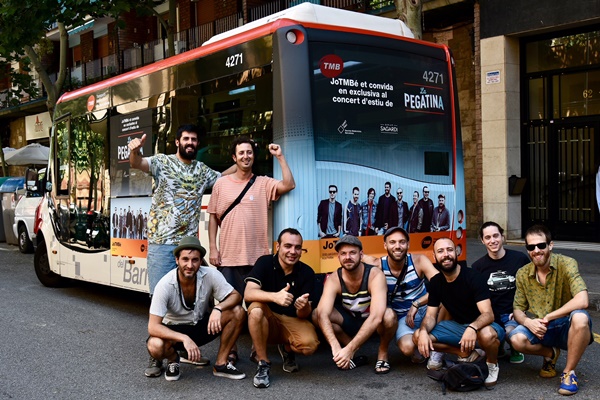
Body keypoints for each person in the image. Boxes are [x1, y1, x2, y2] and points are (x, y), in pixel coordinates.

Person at [129, 124, 235, 377]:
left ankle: (184, 349)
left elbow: (223, 177)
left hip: (188, 245)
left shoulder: (202, 171)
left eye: (194, 139)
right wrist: (134, 151)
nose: (190, 142)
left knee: (194, 298)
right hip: (162, 243)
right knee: (160, 298)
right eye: (186, 138)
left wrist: (242, 164)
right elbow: (137, 163)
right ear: (177, 142)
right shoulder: (162, 162)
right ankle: (158, 355)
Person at [208, 136, 295, 363]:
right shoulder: (221, 184)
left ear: (253, 157)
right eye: (241, 153)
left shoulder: (263, 183)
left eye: (249, 152)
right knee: (231, 306)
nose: (246, 156)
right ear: (234, 157)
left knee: (258, 307)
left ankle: (258, 349)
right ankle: (230, 349)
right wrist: (213, 248)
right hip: (228, 257)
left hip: (258, 259)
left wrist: (280, 157)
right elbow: (213, 218)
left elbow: (289, 184)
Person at [146, 236, 246, 382]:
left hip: (200, 326)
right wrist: (184, 338)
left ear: (200, 261)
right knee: (155, 345)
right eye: (185, 259)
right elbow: (153, 327)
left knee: (238, 312)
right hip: (174, 331)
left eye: (195, 260)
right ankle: (173, 359)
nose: (190, 265)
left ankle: (221, 364)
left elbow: (236, 296)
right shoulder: (165, 285)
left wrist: (218, 308)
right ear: (177, 260)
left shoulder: (210, 275)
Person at [508, 224, 592, 396]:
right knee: (516, 338)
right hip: (542, 329)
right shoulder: (523, 274)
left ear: (550, 245)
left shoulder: (567, 263)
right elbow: (517, 309)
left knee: (580, 318)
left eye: (541, 245)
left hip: (567, 326)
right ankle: (550, 354)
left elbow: (583, 300)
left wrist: (549, 316)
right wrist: (528, 322)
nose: (536, 251)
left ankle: (568, 373)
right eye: (531, 247)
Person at [414, 237, 503, 388]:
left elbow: (488, 314)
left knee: (487, 334)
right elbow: (430, 316)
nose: (446, 254)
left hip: (486, 326)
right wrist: (423, 331)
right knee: (417, 336)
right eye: (440, 251)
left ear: (457, 252)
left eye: (449, 250)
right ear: (434, 256)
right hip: (459, 328)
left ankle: (492, 363)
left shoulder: (474, 277)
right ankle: (464, 353)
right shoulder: (436, 282)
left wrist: (472, 327)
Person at [244, 228, 319, 388]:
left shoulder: (307, 272)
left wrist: (303, 307)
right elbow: (248, 293)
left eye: (297, 247)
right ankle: (263, 362)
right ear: (278, 246)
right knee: (256, 310)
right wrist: (275, 297)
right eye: (288, 246)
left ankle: (286, 349)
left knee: (309, 345)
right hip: (268, 316)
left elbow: (304, 314)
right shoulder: (264, 262)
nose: (293, 251)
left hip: (291, 319)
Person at [313, 235, 397, 374]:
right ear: (338, 257)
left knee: (389, 316)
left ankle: (382, 352)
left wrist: (349, 349)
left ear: (361, 255)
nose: (348, 257)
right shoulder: (334, 278)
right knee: (317, 313)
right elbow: (322, 314)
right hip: (350, 321)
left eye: (352, 253)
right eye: (343, 254)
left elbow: (376, 317)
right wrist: (335, 346)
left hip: (373, 323)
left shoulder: (375, 275)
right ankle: (350, 347)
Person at [362, 227, 439, 364]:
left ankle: (437, 349)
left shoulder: (419, 260)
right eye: (392, 242)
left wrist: (417, 303)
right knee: (407, 347)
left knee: (446, 299)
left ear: (408, 244)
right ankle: (420, 341)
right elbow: (355, 255)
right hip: (403, 317)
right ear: (385, 245)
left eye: (402, 242)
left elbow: (442, 286)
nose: (397, 246)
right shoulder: (378, 265)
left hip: (427, 310)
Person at [472, 221, 530, 364]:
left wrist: (523, 309)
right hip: (492, 315)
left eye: (496, 236)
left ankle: (515, 347)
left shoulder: (520, 259)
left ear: (502, 237)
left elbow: (531, 286)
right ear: (482, 241)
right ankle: (498, 346)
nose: (492, 240)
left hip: (514, 313)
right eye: (488, 237)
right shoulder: (477, 267)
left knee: (511, 333)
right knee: (486, 338)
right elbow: (476, 296)